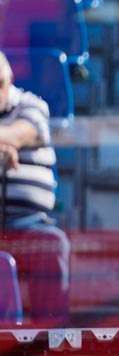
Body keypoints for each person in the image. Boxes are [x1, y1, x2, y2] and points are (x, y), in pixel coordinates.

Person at [0, 50, 69, 326]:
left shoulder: (32, 105)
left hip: (27, 225)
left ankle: (51, 340)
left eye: (0, 82)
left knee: (53, 244)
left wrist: (8, 144)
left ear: (11, 78)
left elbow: (23, 133)